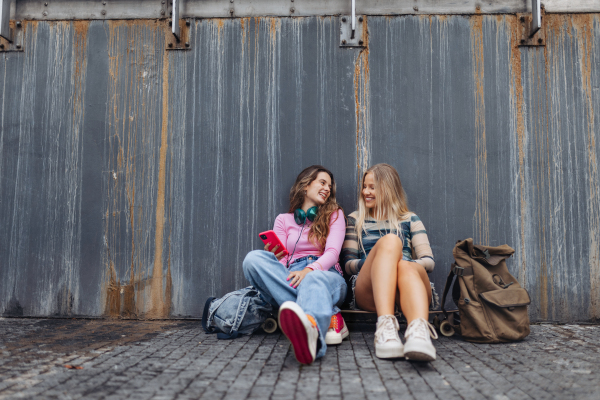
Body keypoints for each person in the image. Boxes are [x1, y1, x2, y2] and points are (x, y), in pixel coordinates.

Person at [243, 165, 348, 365]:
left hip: (326, 275)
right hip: (291, 276)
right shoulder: (283, 220)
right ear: (306, 186)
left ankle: (312, 331)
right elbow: (282, 260)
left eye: (330, 186)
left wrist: (309, 270)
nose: (327, 188)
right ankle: (318, 316)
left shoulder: (335, 214)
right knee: (253, 259)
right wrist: (273, 258)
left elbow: (333, 254)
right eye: (322, 183)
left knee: (314, 279)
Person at [341, 163, 439, 361]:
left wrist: (398, 264)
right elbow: (348, 265)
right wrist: (379, 261)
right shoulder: (354, 219)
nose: (365, 192)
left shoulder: (409, 219)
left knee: (404, 264)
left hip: (408, 284)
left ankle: (418, 335)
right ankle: (385, 329)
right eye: (364, 186)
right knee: (391, 242)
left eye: (372, 187)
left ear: (387, 189)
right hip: (369, 290)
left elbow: (428, 261)